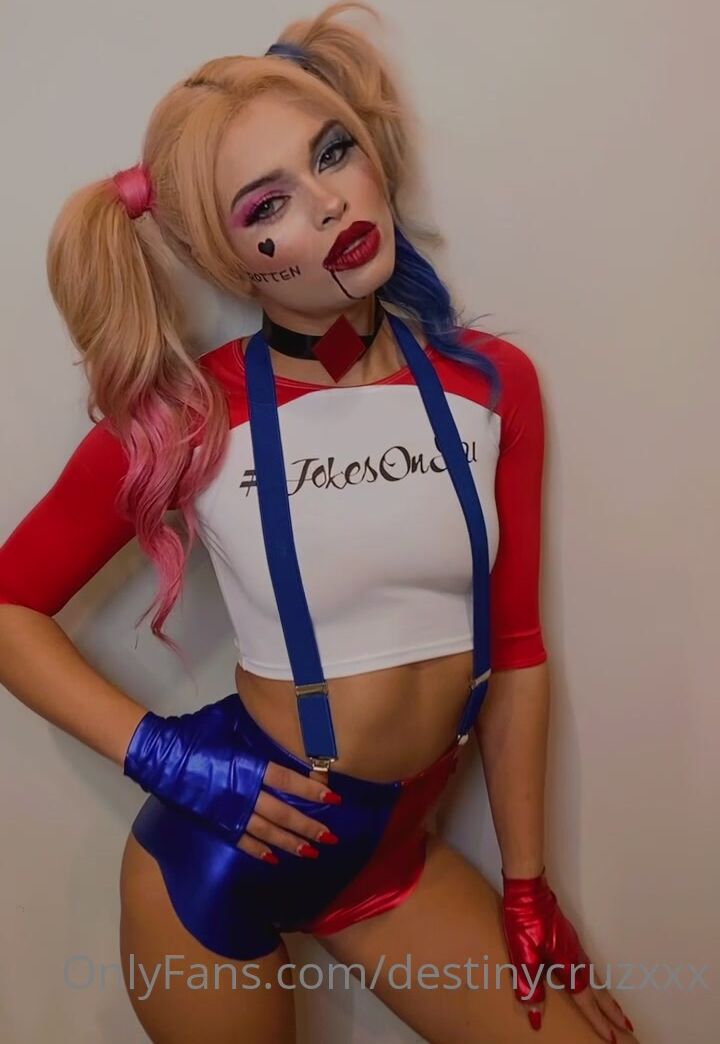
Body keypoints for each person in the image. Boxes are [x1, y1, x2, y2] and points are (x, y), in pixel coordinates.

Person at [0, 3, 640, 1042]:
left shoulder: (492, 385)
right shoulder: (193, 417)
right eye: (270, 204)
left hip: (390, 863)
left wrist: (528, 883)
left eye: (332, 152)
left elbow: (517, 650)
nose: (331, 201)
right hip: (213, 870)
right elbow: (9, 607)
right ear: (225, 256)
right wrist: (166, 757)